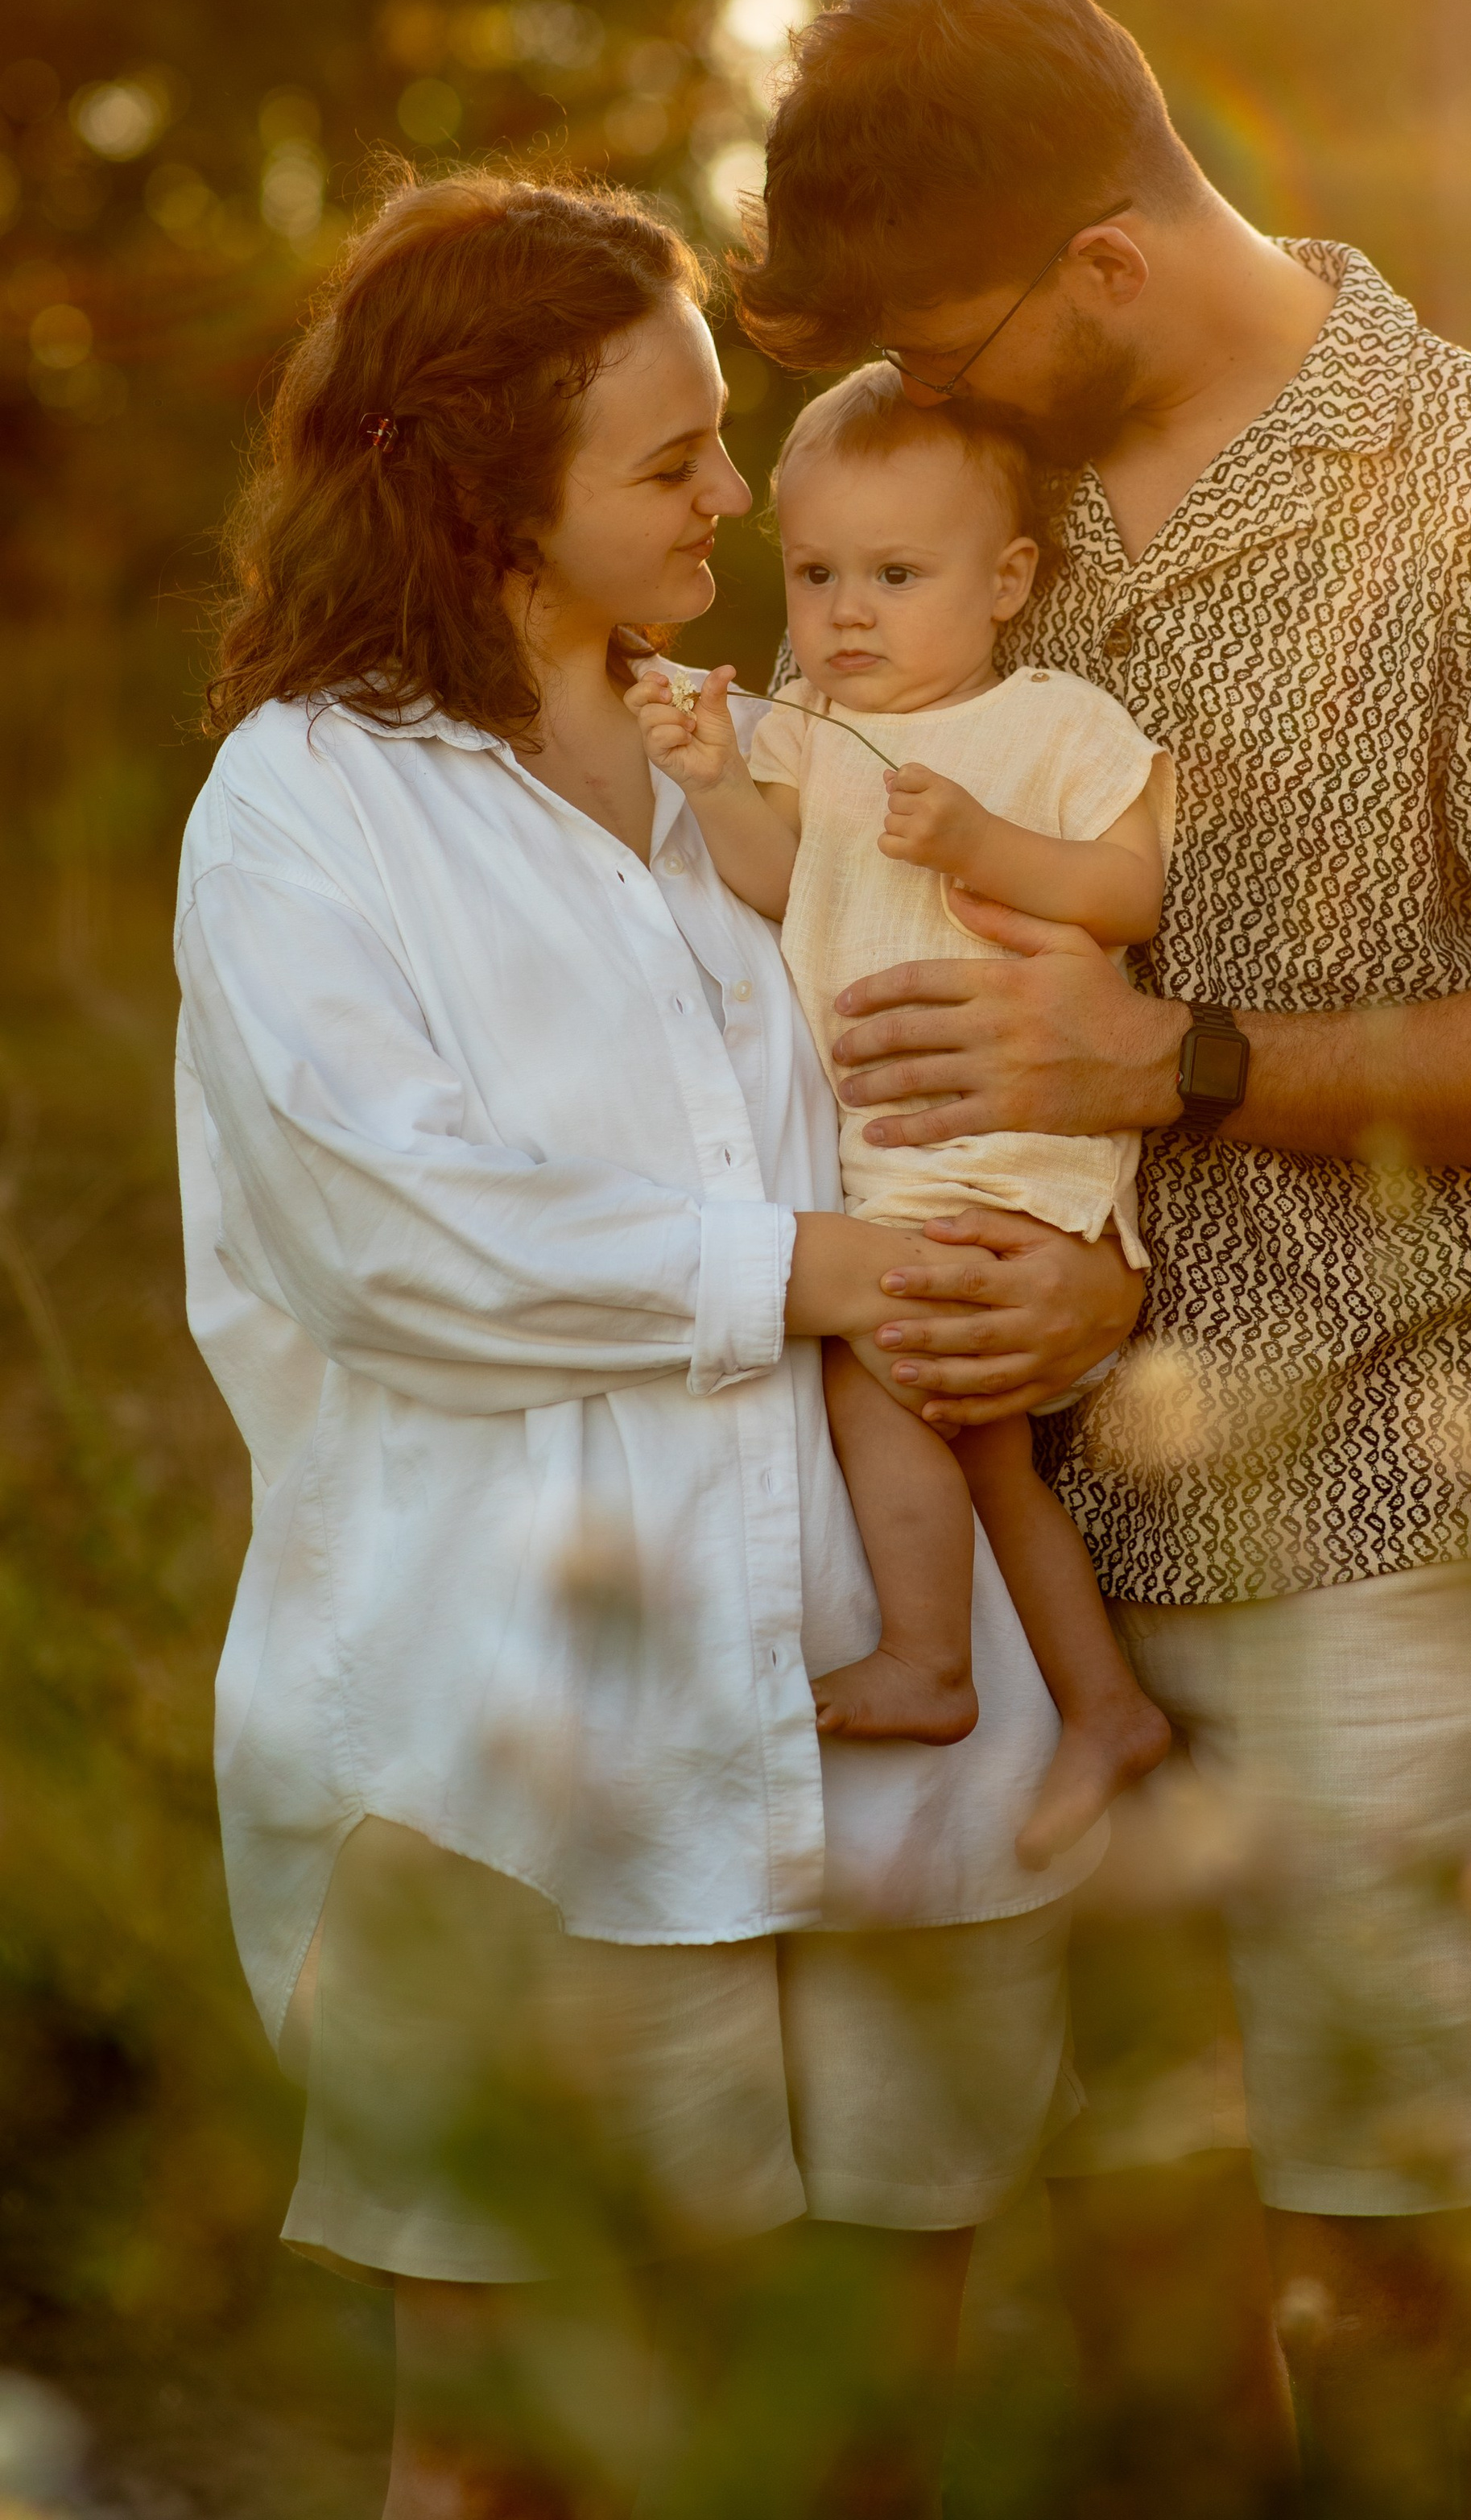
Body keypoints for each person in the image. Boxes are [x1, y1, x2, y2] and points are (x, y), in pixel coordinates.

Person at [731, 0, 1471, 2517]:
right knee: (1146, 2307)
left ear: (1108, 265)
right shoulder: (975, 497)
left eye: (952, 337)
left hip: (1375, 1510)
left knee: (1390, 2302)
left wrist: (1176, 1068)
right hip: (1021, 1513)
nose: (917, 399)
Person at [176, 168, 1142, 2520]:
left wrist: (1090, 1287)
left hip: (894, 1725)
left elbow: (1011, 1100)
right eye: (674, 456)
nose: (739, 487)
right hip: (526, 1750)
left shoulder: (799, 745)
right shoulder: (311, 807)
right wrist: (802, 1270)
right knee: (515, 2461)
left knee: (864, 2443)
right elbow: (384, 1226)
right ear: (487, 479)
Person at [628, 360, 1173, 1872]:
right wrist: (710, 773)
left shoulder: (1051, 721)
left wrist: (989, 838)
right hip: (902, 1157)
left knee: (887, 1384)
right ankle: (1102, 1703)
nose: (848, 612)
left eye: (895, 574)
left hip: (1010, 1140)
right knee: (979, 1438)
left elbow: (1127, 887)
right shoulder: (807, 725)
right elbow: (771, 876)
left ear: (1006, 583)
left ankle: (937, 1665)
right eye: (816, 575)